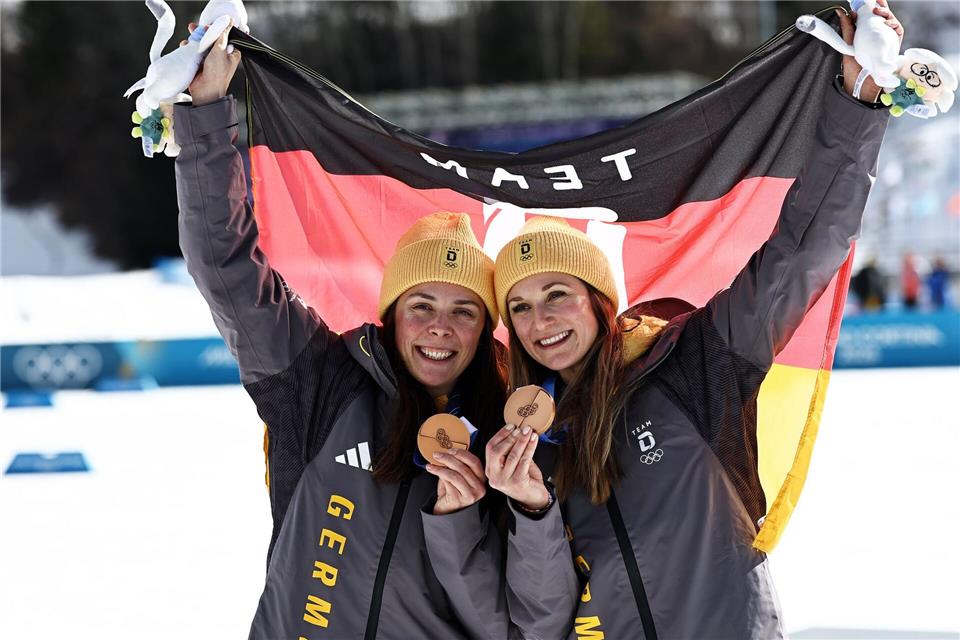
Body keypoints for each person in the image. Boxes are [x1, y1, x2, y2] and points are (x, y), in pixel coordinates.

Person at [490, 5, 898, 639]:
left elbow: (800, 251)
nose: (539, 320)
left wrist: (857, 103)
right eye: (519, 306)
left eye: (557, 294)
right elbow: (543, 622)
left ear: (599, 301)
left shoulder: (696, 367)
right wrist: (531, 509)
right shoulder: (518, 441)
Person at [174, 25, 575, 640]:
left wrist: (515, 510)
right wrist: (206, 115)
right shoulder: (320, 381)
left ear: (486, 330)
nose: (440, 327)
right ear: (390, 312)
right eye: (422, 304)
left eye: (464, 311)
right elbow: (225, 265)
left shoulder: (511, 433)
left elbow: (531, 626)